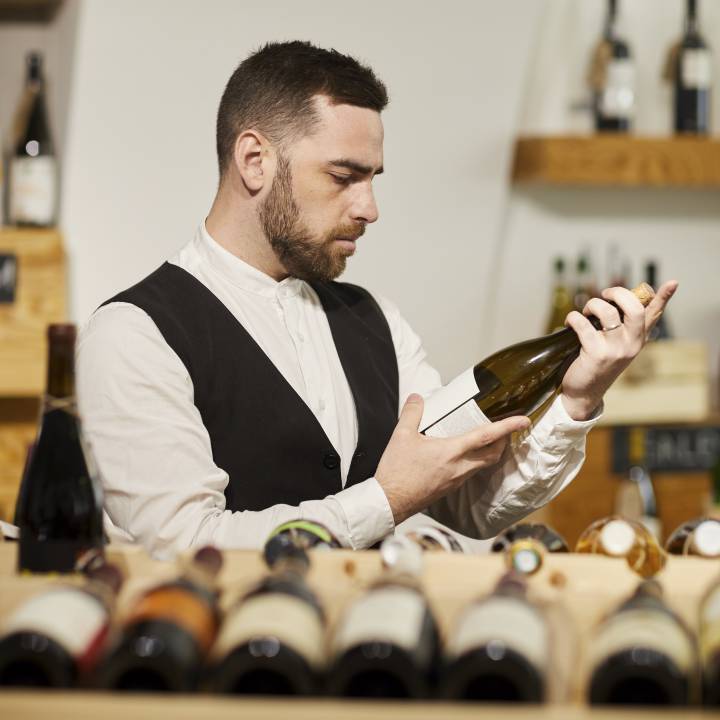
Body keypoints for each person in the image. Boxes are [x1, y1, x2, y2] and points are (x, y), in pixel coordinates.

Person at [77, 41, 676, 559]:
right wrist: (385, 500)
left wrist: (577, 396)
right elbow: (183, 547)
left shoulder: (375, 321)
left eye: (372, 179)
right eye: (343, 177)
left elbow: (470, 504)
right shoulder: (136, 333)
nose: (369, 208)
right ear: (254, 161)